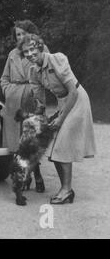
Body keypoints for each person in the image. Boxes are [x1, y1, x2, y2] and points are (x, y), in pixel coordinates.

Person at [20, 33, 96, 204]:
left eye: (33, 49)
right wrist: (36, 120)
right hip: (64, 103)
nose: (30, 54)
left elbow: (73, 92)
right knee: (54, 148)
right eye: (26, 52)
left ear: (39, 47)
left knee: (62, 144)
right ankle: (66, 189)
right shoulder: (33, 72)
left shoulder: (57, 59)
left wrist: (61, 119)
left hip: (77, 100)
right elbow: (41, 103)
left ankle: (66, 190)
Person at [0, 20, 48, 192]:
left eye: (23, 34)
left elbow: (46, 75)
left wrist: (35, 92)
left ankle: (38, 177)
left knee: (32, 141)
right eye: (17, 35)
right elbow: (4, 78)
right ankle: (26, 178)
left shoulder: (39, 49)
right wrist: (8, 90)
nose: (20, 37)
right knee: (18, 145)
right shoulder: (12, 54)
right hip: (13, 102)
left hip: (31, 99)